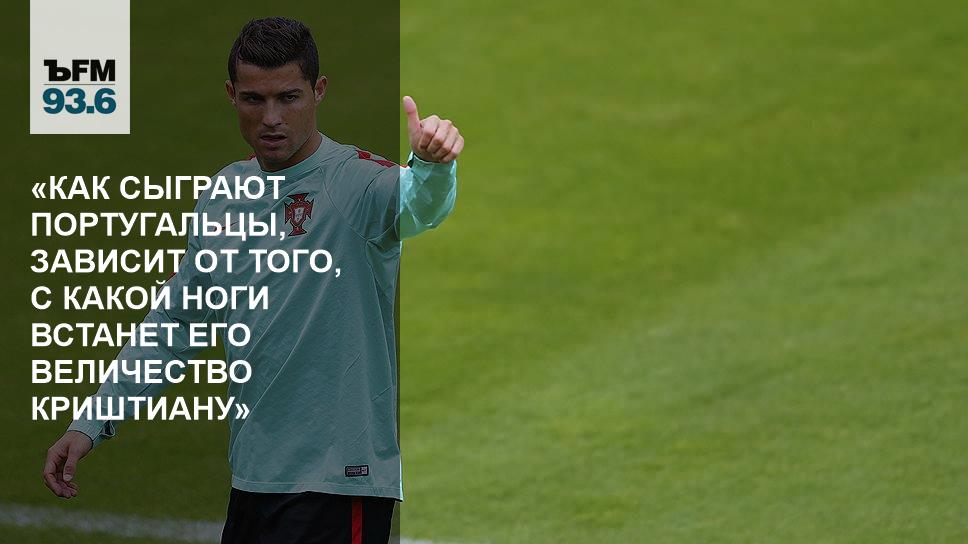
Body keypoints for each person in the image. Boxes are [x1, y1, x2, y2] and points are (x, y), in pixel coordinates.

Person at [42, 16, 462, 543]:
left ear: (318, 91)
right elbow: (176, 324)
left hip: (338, 485)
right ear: (231, 96)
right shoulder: (225, 196)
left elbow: (420, 207)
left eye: (288, 97)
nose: (271, 118)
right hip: (253, 480)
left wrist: (432, 166)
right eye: (253, 100)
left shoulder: (357, 182)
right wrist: (91, 422)